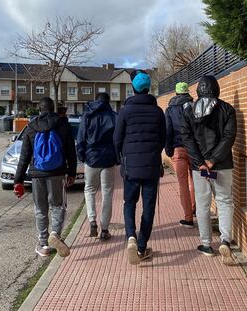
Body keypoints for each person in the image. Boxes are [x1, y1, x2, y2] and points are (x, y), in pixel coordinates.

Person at [181, 75, 237, 265]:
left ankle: (206, 244)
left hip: (199, 168)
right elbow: (229, 136)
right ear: (216, 88)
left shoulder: (189, 111)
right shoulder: (227, 109)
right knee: (225, 201)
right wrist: (213, 159)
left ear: (199, 90)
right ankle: (225, 240)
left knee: (203, 204)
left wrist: (201, 162)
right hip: (223, 164)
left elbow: (187, 139)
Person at [14, 97, 77, 258]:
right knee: (58, 206)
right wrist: (71, 172)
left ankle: (43, 244)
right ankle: (55, 233)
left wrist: (18, 180)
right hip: (57, 172)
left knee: (40, 209)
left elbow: (24, 156)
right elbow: (71, 152)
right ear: (53, 108)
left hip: (37, 174)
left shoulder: (31, 127)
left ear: (39, 109)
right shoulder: (63, 125)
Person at [113, 70, 166, 265]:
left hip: (130, 167)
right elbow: (163, 138)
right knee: (148, 207)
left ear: (133, 89)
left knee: (129, 203)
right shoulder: (158, 111)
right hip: (151, 166)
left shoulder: (125, 111)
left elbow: (117, 138)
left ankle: (130, 237)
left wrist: (121, 158)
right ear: (149, 88)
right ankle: (142, 247)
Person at [77, 93, 118, 240]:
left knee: (89, 190)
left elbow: (81, 138)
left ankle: (92, 220)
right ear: (108, 102)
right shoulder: (114, 116)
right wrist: (117, 158)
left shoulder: (88, 115)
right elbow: (118, 139)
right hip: (108, 159)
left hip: (91, 157)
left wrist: (82, 156)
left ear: (96, 100)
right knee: (107, 193)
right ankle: (105, 229)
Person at [165, 82, 196, 228]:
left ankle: (188, 218)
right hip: (194, 149)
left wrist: (169, 149)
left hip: (178, 149)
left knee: (182, 183)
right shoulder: (194, 105)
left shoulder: (170, 109)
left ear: (176, 93)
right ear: (187, 93)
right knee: (194, 180)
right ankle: (195, 208)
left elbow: (168, 130)